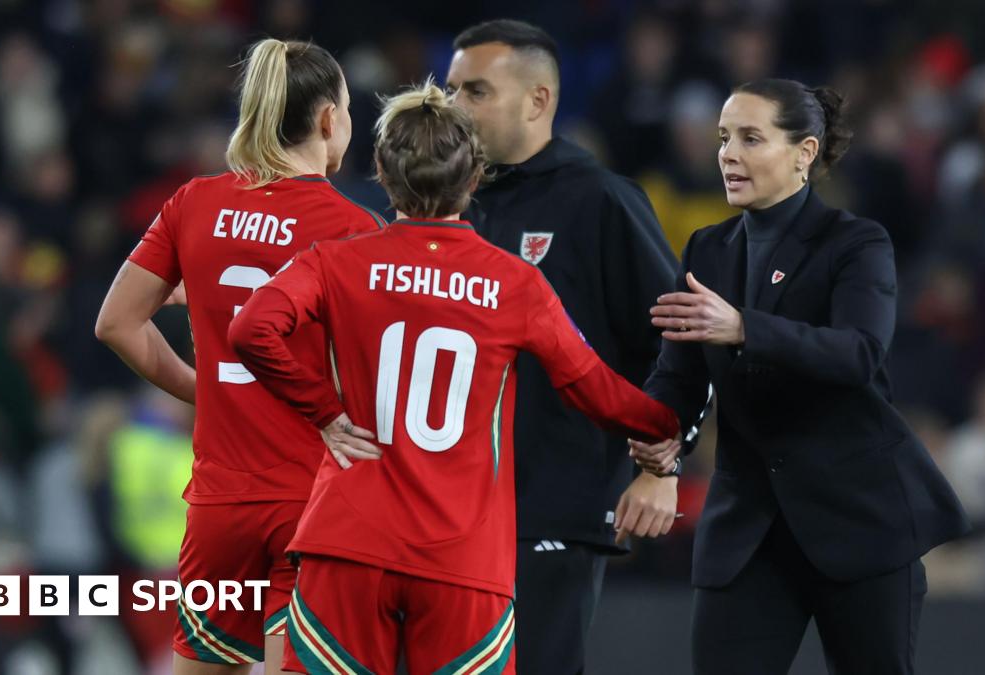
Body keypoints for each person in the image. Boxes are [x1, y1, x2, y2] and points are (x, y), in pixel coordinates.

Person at [228, 80, 680, 675]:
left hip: (348, 543)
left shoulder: (337, 259)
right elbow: (594, 389)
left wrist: (324, 412)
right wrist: (664, 430)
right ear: (474, 180)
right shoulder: (516, 282)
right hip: (464, 559)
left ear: (383, 178)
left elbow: (251, 328)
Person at [632, 78, 970, 675]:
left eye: (750, 138)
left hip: (859, 522)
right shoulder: (706, 249)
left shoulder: (857, 242)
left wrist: (744, 327)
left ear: (804, 153)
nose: (727, 154)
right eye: (723, 138)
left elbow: (858, 353)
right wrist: (657, 450)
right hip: (748, 534)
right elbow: (679, 377)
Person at [95, 39, 385, 675]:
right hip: (311, 506)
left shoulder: (193, 202)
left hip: (219, 508)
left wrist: (206, 390)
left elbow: (116, 323)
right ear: (328, 119)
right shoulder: (357, 230)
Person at [445, 20, 683, 674]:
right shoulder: (448, 208)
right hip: (443, 510)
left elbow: (683, 343)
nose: (454, 107)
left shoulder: (600, 201)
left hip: (551, 505)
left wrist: (661, 467)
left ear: (538, 100)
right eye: (451, 90)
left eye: (476, 91)